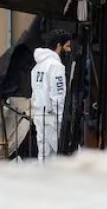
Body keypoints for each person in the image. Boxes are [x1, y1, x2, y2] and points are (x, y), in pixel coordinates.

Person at [30, 31, 72, 162]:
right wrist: (62, 121)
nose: (69, 50)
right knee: (60, 158)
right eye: (67, 46)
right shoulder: (56, 66)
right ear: (59, 46)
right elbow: (58, 96)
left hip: (39, 115)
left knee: (43, 156)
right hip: (52, 119)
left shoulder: (37, 67)